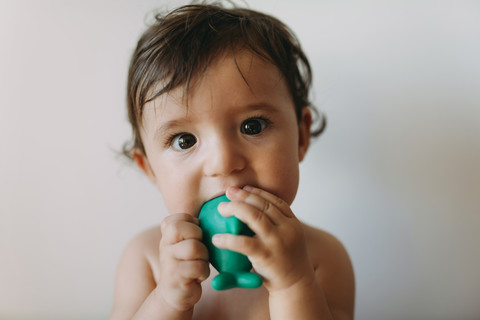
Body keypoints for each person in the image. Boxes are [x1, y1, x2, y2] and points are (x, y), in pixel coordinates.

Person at [110, 3, 355, 319]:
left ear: (301, 137)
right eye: (185, 140)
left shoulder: (321, 256)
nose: (224, 163)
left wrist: (293, 283)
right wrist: (167, 301)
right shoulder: (145, 258)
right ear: (150, 169)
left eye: (252, 126)